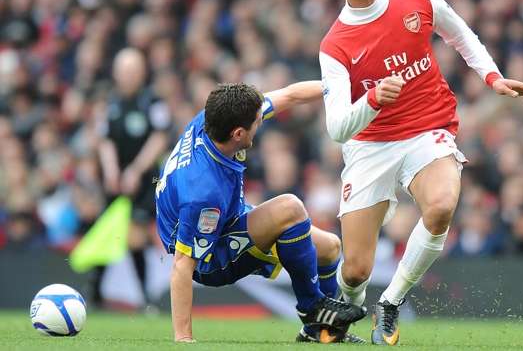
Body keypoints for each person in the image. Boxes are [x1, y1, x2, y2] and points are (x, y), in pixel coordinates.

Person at [318, 0, 523, 346]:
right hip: (370, 145)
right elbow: (337, 128)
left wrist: (492, 77)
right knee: (354, 271)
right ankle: (349, 307)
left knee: (441, 206)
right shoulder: (334, 45)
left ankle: (391, 302)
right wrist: (371, 99)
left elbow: (459, 34)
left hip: (428, 127)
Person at [155, 81, 367, 344]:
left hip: (229, 218)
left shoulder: (214, 119)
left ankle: (318, 333)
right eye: (257, 122)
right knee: (290, 208)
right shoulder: (203, 192)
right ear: (239, 134)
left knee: (330, 248)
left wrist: (347, 86)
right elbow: (182, 266)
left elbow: (290, 95)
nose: (262, 122)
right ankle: (312, 306)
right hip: (211, 257)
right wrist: (183, 339)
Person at [96, 48, 171, 308]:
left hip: (145, 179)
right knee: (106, 233)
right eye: (124, 70)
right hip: (115, 178)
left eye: (133, 70)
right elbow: (104, 140)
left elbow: (160, 137)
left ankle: (144, 297)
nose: (128, 76)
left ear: (142, 73)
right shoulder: (109, 102)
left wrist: (136, 170)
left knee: (135, 234)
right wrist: (110, 170)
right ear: (116, 73)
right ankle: (95, 293)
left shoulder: (152, 101)